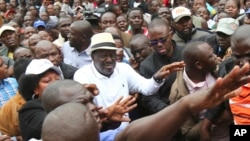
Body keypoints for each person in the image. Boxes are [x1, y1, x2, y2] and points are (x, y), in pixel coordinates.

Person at [41, 61, 250, 141]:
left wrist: (187, 105)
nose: (94, 108)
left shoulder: (106, 135)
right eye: (82, 105)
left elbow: (132, 134)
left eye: (90, 101)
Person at [74, 32, 185, 130]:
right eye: (104, 56)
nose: (109, 59)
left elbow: (146, 88)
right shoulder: (82, 75)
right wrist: (107, 114)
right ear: (93, 57)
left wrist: (158, 77)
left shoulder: (123, 68)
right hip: (100, 132)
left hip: (124, 132)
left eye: (112, 55)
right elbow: (84, 112)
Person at [201, 25, 250, 141]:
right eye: (238, 56)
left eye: (249, 55)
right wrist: (205, 125)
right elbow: (223, 95)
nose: (243, 63)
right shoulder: (227, 67)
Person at [169, 41, 217, 141]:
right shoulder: (179, 94)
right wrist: (217, 118)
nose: (216, 57)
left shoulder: (216, 68)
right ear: (199, 65)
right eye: (211, 56)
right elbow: (188, 133)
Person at [138, 18, 183, 115]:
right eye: (154, 42)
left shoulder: (186, 53)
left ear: (171, 35)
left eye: (163, 40)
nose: (159, 44)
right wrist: (171, 112)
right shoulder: (146, 65)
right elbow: (149, 97)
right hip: (167, 115)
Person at [18, 59, 62, 141]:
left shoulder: (66, 101)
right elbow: (53, 126)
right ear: (35, 89)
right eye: (47, 81)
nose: (55, 84)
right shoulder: (30, 109)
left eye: (58, 79)